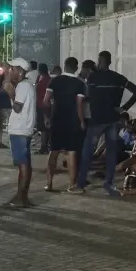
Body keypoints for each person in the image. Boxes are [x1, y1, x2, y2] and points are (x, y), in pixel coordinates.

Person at [75, 51, 136, 195]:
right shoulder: (118, 78)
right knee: (111, 153)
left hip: (97, 121)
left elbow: (87, 97)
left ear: (99, 61)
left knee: (87, 152)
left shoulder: (93, 78)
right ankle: (109, 184)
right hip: (113, 119)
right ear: (110, 62)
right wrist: (124, 108)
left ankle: (80, 184)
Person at [45, 57, 87, 193]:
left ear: (64, 66)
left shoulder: (54, 80)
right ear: (76, 67)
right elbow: (79, 105)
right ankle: (71, 185)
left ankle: (49, 183)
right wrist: (81, 121)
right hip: (72, 121)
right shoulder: (79, 83)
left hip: (56, 119)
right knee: (71, 152)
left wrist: (47, 117)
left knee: (54, 151)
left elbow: (45, 101)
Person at [6, 57, 39, 208]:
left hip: (20, 129)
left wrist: (10, 93)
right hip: (22, 129)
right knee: (24, 164)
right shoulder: (25, 86)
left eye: (12, 69)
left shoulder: (23, 87)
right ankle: (21, 195)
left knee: (23, 164)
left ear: (19, 71)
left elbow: (17, 108)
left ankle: (21, 197)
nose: (9, 71)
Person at [36, 63, 52, 154]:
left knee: (44, 128)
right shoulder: (41, 78)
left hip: (43, 105)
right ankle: (44, 146)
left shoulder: (47, 80)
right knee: (43, 127)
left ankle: (44, 147)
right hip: (40, 104)